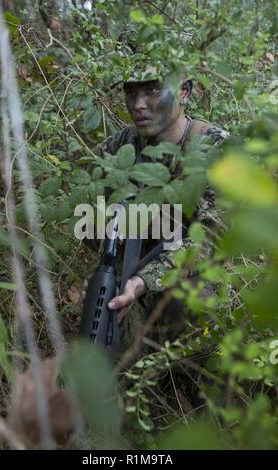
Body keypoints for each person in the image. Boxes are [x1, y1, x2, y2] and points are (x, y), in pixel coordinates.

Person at [91, 66, 229, 354]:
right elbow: (95, 230)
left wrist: (143, 280)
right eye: (131, 92)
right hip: (128, 285)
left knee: (189, 301)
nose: (138, 104)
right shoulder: (116, 149)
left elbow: (210, 240)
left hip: (186, 285)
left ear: (184, 92)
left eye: (152, 90)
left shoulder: (216, 149)